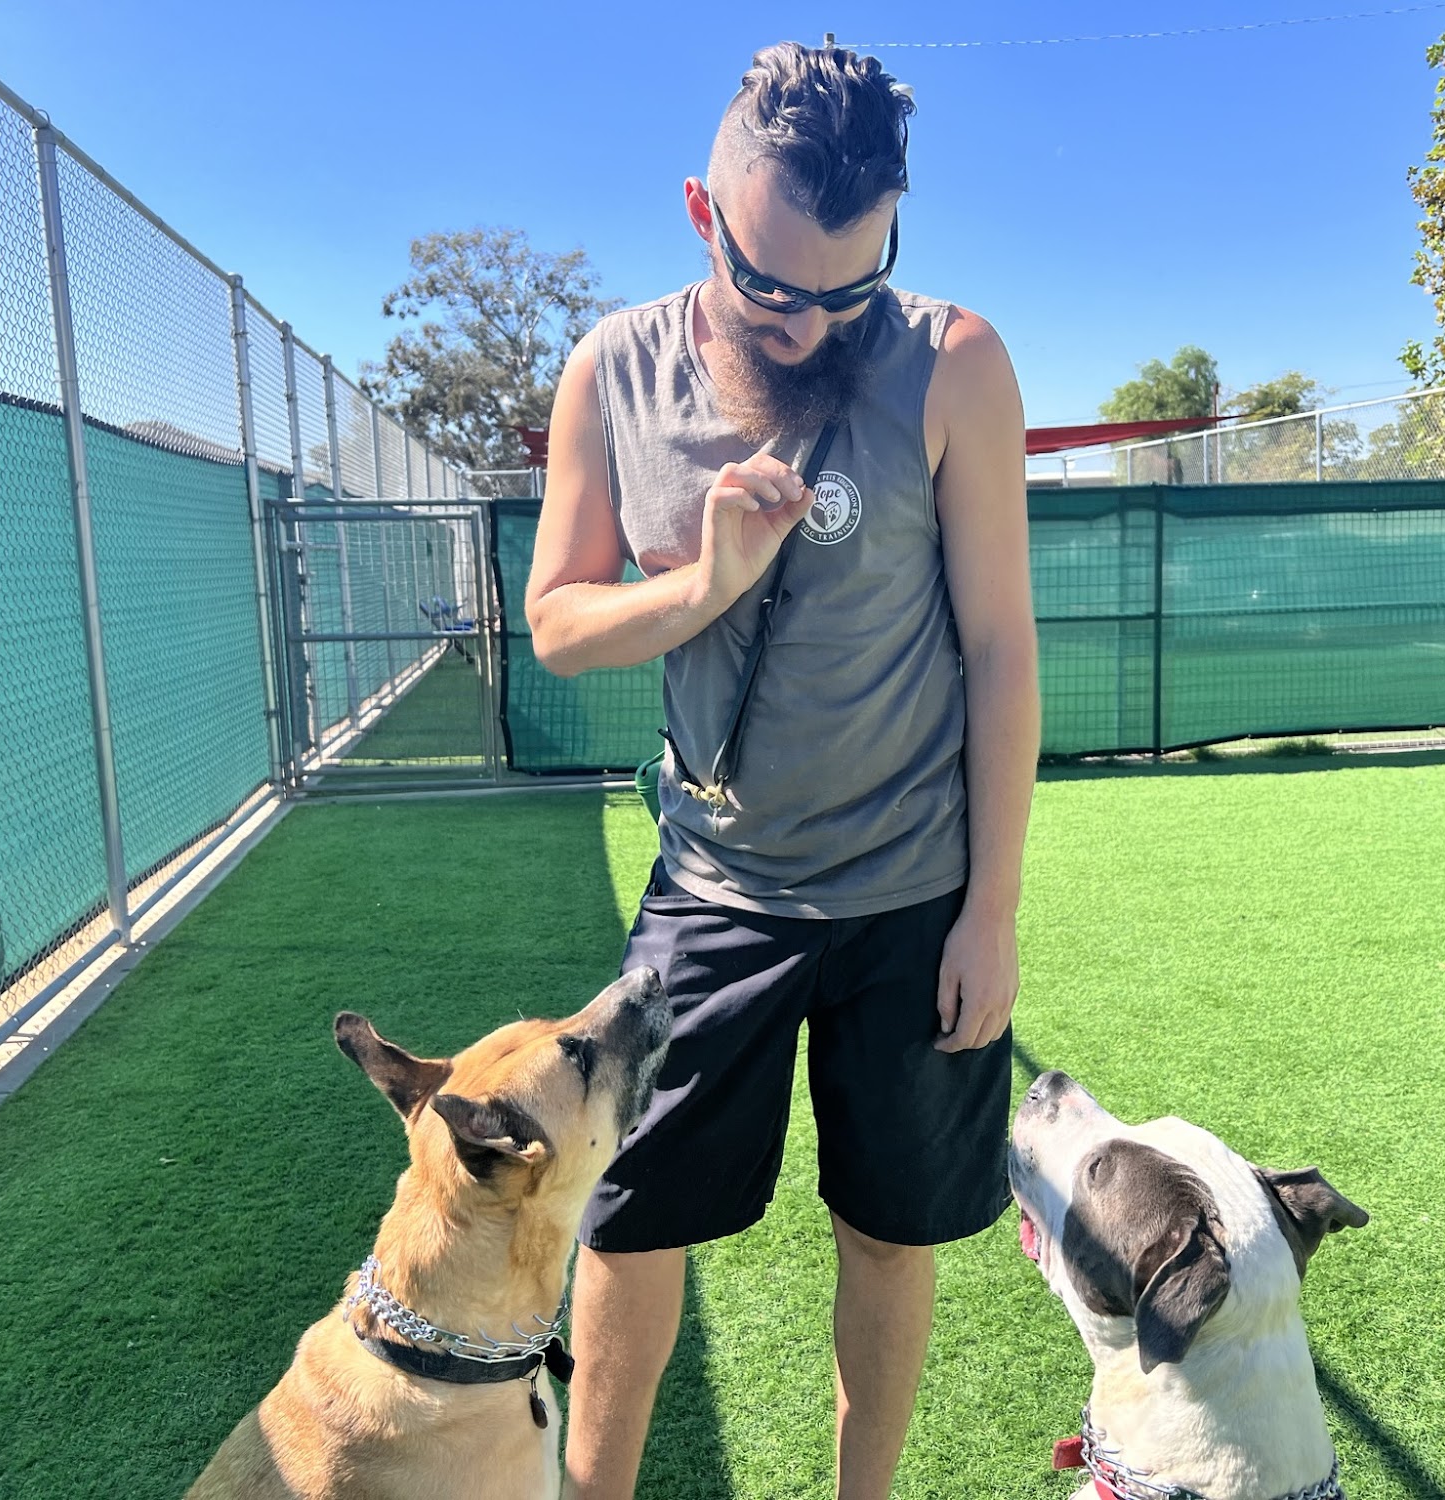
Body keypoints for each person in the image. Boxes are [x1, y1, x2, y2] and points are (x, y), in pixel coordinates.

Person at [524, 40, 1038, 1500]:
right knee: (629, 1223)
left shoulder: (957, 362)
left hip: (913, 896)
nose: (811, 324)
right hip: (715, 885)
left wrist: (992, 912)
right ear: (704, 215)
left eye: (851, 290)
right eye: (771, 288)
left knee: (888, 1231)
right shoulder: (613, 370)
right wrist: (702, 587)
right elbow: (556, 623)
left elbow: (1000, 647)